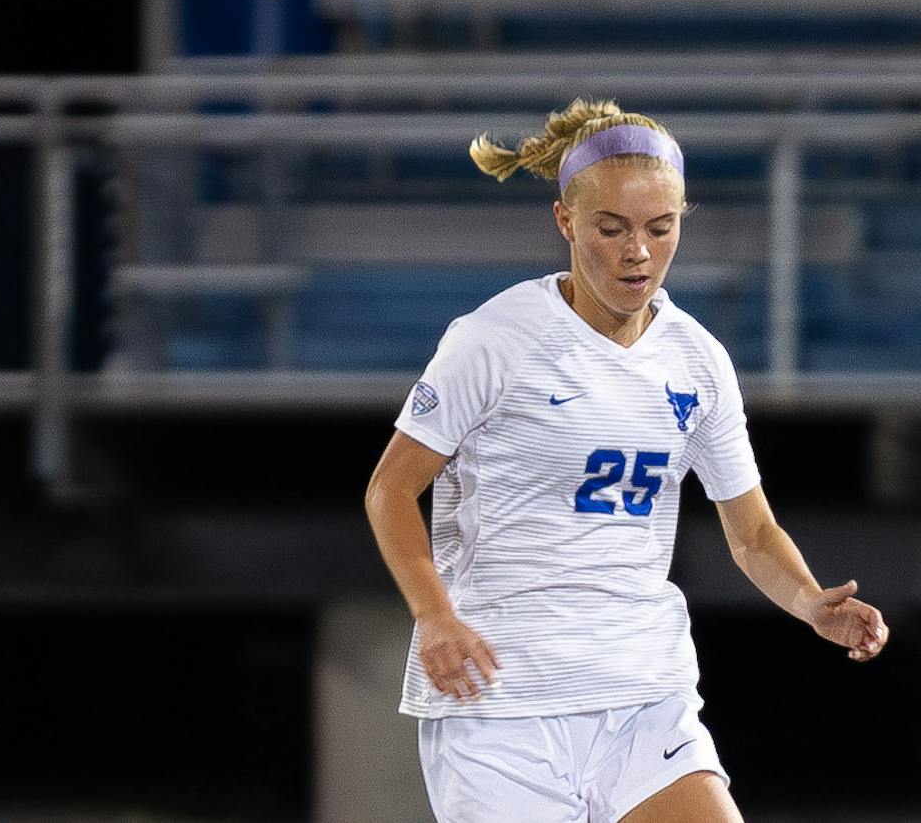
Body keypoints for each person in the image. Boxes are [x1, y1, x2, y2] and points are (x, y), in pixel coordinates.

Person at [365, 99, 888, 823]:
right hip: (502, 704)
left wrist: (808, 601)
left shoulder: (698, 360)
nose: (636, 250)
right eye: (611, 229)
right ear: (566, 221)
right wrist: (434, 614)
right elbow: (390, 490)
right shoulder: (495, 339)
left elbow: (753, 533)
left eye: (659, 227)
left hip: (643, 696)